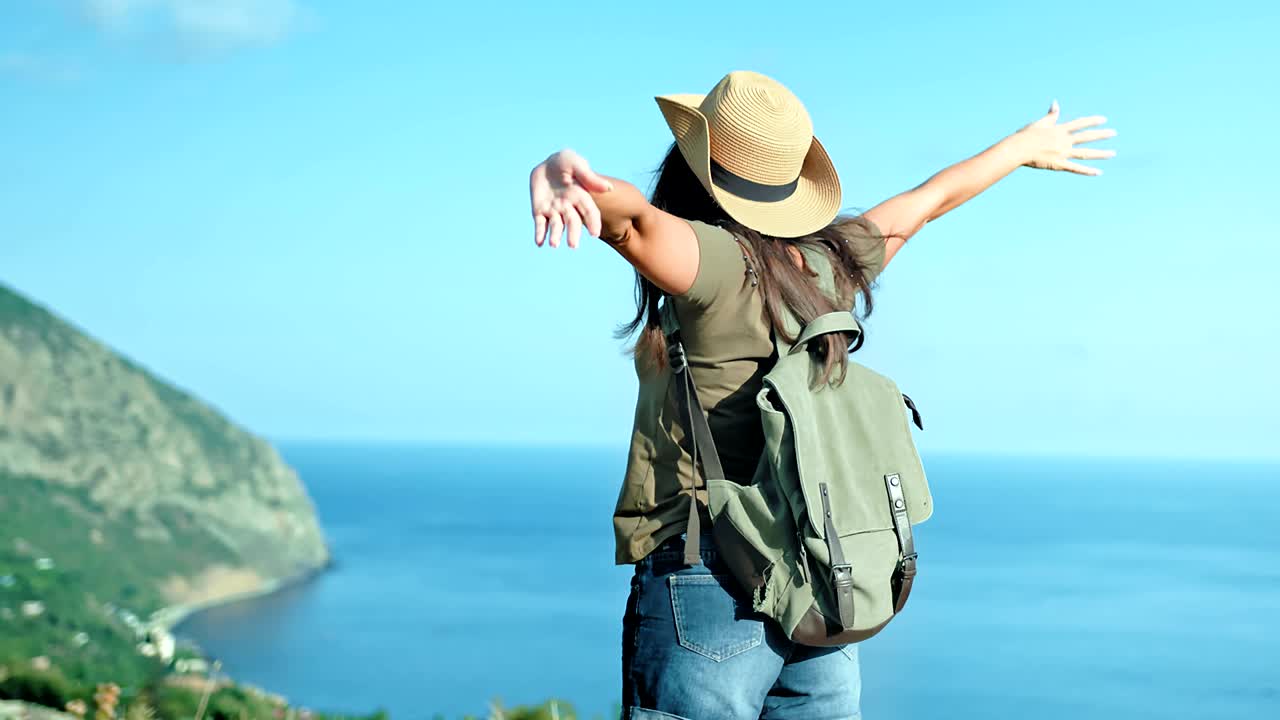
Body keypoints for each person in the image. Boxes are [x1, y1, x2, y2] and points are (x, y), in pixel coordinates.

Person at [527, 70, 1114, 720]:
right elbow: (928, 201)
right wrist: (1022, 146)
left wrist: (570, 180)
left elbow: (633, 222)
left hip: (713, 581)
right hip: (818, 576)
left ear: (694, 168)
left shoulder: (714, 263)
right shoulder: (832, 261)